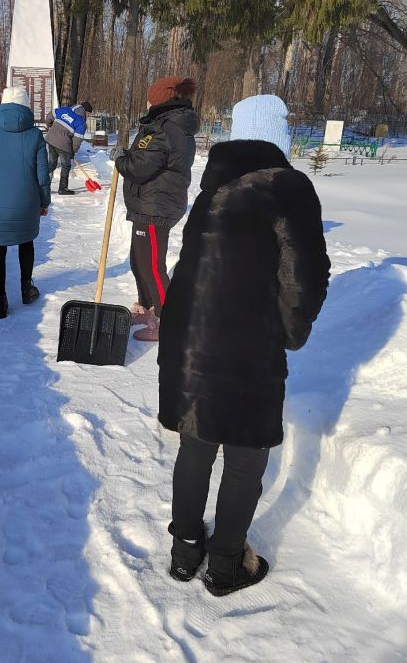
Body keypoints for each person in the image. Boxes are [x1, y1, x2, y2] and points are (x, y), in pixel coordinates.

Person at [158, 94, 330, 595]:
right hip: (246, 343)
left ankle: (185, 553)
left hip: (191, 335)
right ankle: (228, 564)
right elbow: (305, 278)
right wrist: (289, 334)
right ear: (277, 135)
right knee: (246, 452)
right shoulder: (287, 188)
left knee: (196, 442)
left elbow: (191, 267)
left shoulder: (212, 189)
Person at [114, 76, 198, 342]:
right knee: (139, 261)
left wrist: (120, 159)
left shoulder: (164, 128)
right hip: (151, 203)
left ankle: (168, 321)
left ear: (159, 100)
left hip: (156, 205)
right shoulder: (166, 125)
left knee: (152, 266)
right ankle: (149, 307)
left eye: (150, 97)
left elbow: (140, 166)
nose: (147, 102)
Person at [0, 86, 51, 318]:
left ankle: (1, 300)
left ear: (2, 105)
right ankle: (26, 289)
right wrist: (44, 201)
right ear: (25, 107)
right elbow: (43, 175)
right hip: (26, 201)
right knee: (26, 243)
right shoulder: (35, 135)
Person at [45, 100, 93, 195]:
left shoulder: (64, 109)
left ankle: (45, 186)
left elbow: (49, 116)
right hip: (63, 144)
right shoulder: (81, 122)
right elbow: (77, 140)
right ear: (85, 112)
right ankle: (63, 188)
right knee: (65, 166)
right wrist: (73, 151)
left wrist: (50, 125)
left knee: (51, 163)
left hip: (51, 140)